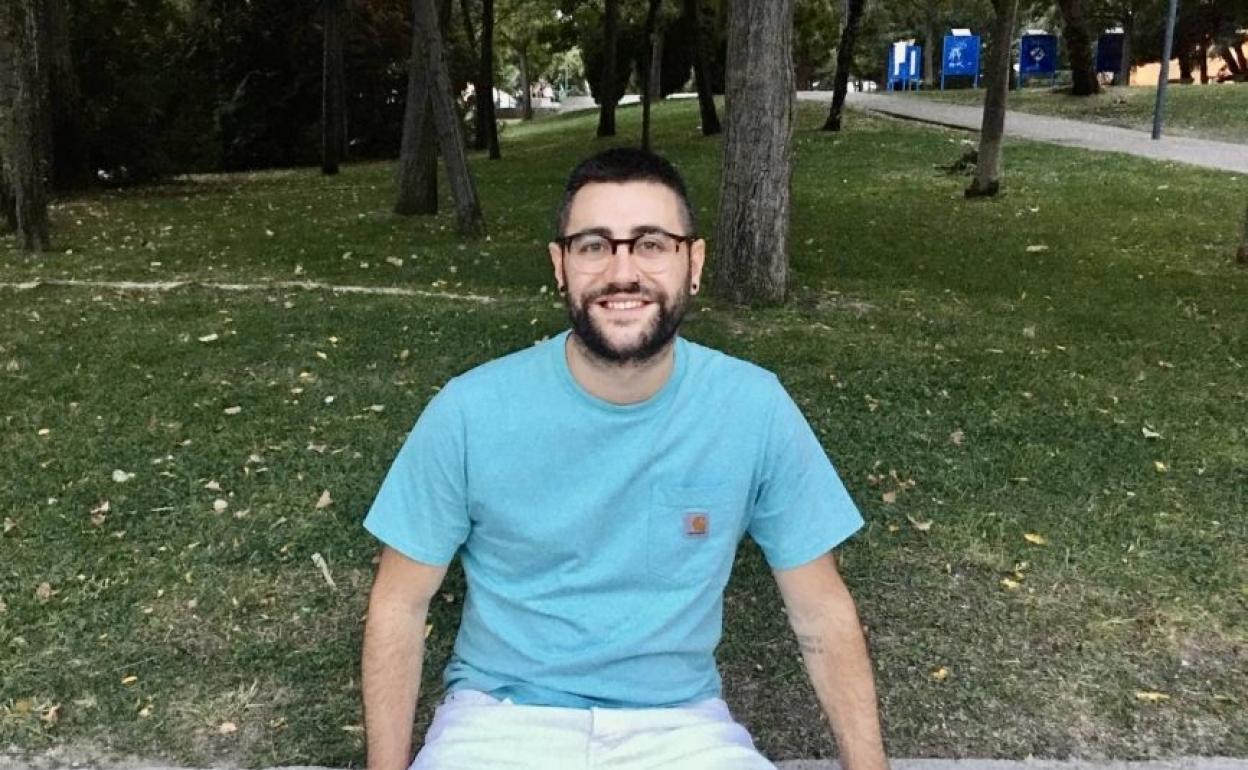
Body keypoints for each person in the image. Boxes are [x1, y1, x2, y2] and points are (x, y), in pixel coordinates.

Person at [361, 148, 889, 770]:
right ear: (560, 266)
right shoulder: (469, 410)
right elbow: (399, 604)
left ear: (694, 263)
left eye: (651, 244)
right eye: (593, 246)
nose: (622, 271)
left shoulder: (753, 406)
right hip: (497, 724)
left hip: (682, 729)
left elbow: (819, 610)